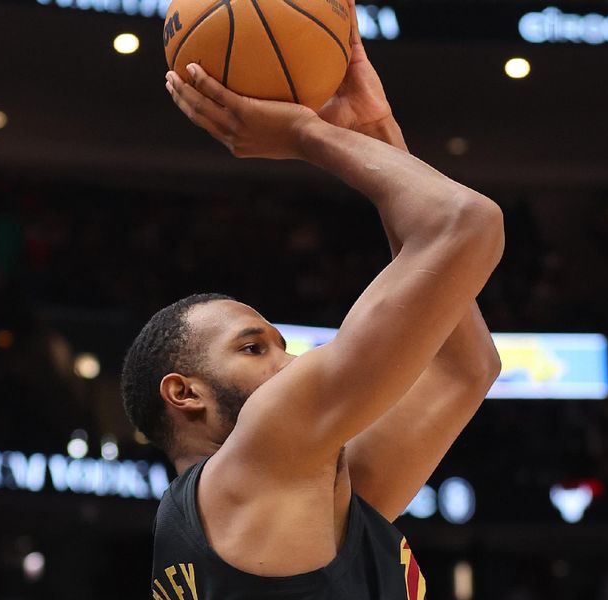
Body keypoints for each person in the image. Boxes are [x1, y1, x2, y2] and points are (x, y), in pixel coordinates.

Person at [122, 1, 504, 597]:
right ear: (184, 393)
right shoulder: (257, 461)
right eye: (252, 348)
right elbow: (467, 223)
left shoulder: (295, 491)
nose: (290, 362)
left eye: (280, 344)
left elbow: (465, 369)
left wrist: (373, 132)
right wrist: (305, 133)